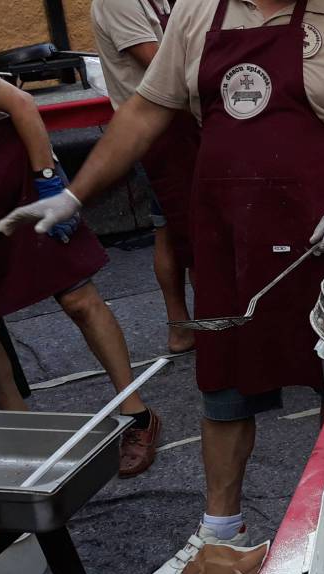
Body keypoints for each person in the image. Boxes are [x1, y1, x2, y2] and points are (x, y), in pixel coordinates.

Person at [0, 0, 324, 574]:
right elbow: (144, 110)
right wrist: (73, 194)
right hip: (228, 237)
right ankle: (220, 531)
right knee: (222, 385)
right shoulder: (199, 11)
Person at [0, 62, 161, 477]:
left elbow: (21, 103)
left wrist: (49, 183)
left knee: (78, 298)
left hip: (20, 176)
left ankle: (136, 413)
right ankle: (24, 432)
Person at [91, 0, 200, 354]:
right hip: (156, 131)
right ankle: (211, 327)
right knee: (195, 231)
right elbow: (158, 63)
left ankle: (184, 327)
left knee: (169, 228)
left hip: (178, 123)